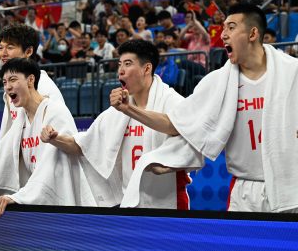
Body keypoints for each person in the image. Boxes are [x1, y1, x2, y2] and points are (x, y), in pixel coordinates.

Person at [115, 3, 298, 213]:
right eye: (223, 28)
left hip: (291, 186)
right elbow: (174, 124)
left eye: (231, 27)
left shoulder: (292, 72)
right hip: (245, 190)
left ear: (253, 33)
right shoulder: (217, 82)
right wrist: (129, 109)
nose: (223, 34)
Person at [41, 40, 199, 208]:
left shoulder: (172, 101)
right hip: (130, 204)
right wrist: (55, 138)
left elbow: (176, 126)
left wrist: (129, 109)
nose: (120, 71)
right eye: (119, 64)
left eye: (128, 64)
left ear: (147, 68)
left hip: (169, 202)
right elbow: (83, 145)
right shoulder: (118, 112)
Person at [0, 58, 94, 216]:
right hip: (37, 203)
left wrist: (20, 197)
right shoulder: (21, 119)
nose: (8, 87)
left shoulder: (55, 111)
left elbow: (58, 162)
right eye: (4, 82)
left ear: (30, 80)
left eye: (13, 80)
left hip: (65, 204)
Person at [0, 23, 64, 140]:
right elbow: (8, 136)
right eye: (1, 47)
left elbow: (57, 136)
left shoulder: (44, 88)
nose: (3, 54)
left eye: (10, 47)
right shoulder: (11, 87)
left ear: (28, 52)